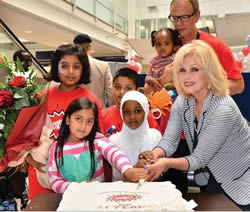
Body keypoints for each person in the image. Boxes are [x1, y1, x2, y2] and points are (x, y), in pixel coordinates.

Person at [139, 40, 250, 210]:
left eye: (194, 70)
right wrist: (154, 156)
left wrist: (166, 163)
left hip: (241, 181)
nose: (186, 77)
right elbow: (169, 141)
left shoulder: (224, 109)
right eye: (182, 70)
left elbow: (198, 159)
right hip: (213, 177)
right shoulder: (183, 101)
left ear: (209, 72)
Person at [24, 44, 104, 200]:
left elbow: (98, 140)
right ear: (55, 67)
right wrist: (28, 158)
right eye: (64, 66)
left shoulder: (90, 100)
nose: (71, 72)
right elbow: (25, 135)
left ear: (83, 69)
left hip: (78, 174)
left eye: (76, 66)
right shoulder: (41, 98)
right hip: (41, 172)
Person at [48, 97, 148, 193]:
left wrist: (127, 170)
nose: (83, 126)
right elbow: (54, 182)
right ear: (67, 119)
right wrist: (77, 188)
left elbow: (115, 154)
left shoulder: (96, 139)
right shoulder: (56, 148)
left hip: (97, 198)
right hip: (69, 201)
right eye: (78, 119)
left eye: (89, 121)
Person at [167, 0, 244, 95]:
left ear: (197, 16)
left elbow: (238, 85)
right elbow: (150, 88)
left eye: (184, 17)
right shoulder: (167, 47)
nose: (178, 23)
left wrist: (205, 89)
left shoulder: (216, 46)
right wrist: (163, 79)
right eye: (174, 18)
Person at [109, 91, 162, 181]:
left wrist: (150, 162)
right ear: (121, 114)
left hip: (151, 189)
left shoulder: (155, 136)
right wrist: (134, 169)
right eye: (126, 112)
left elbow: (161, 171)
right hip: (122, 191)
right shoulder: (114, 140)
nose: (132, 116)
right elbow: (115, 177)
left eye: (137, 111)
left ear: (145, 111)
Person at [102, 67, 161, 135]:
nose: (122, 92)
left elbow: (158, 142)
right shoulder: (103, 116)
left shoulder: (146, 117)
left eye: (128, 88)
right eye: (117, 87)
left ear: (137, 91)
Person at [73, 33, 114, 108]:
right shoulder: (103, 66)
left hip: (76, 111)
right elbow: (110, 92)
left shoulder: (71, 67)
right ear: (89, 47)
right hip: (99, 110)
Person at [144, 28, 179, 95]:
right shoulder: (153, 61)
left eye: (166, 43)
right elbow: (148, 76)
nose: (162, 47)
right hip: (156, 91)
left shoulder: (176, 58)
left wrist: (174, 85)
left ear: (174, 46)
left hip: (172, 92)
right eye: (159, 44)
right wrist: (150, 80)